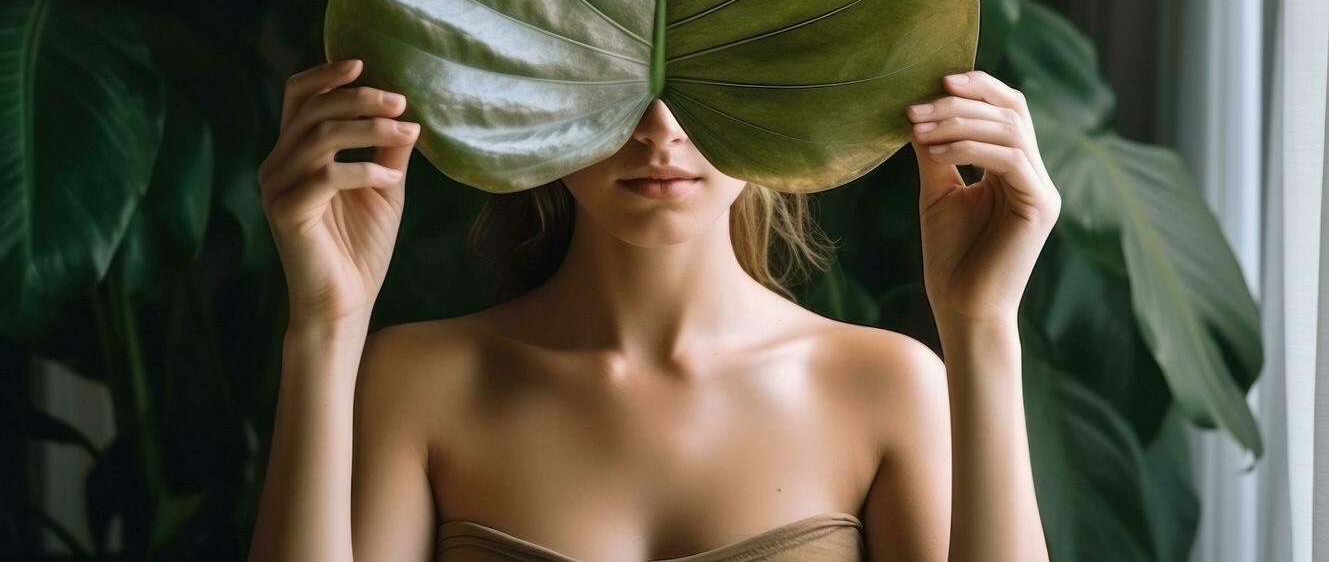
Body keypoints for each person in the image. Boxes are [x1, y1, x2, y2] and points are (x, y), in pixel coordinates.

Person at [246, 57, 1057, 562]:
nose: (660, 128)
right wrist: (325, 326)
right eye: (611, 73)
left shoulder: (882, 388)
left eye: (712, 73)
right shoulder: (422, 382)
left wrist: (982, 324)